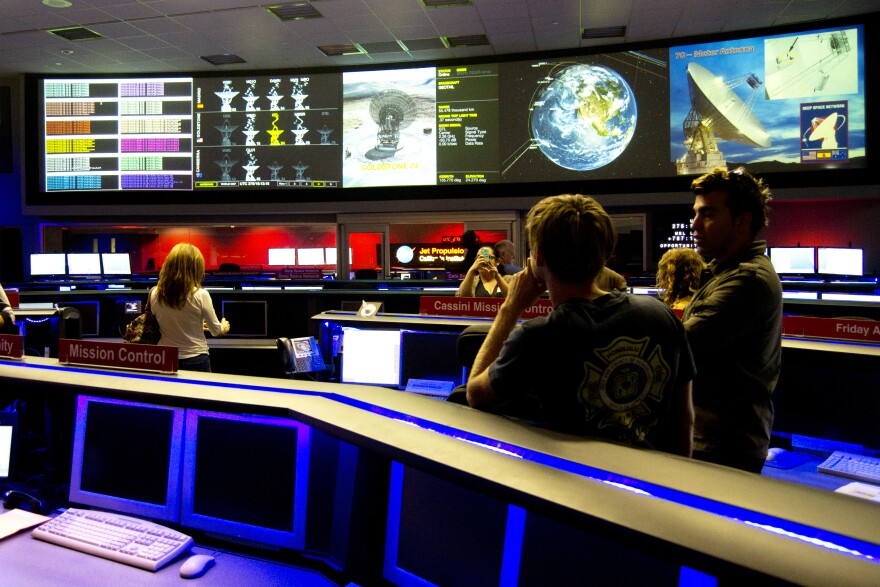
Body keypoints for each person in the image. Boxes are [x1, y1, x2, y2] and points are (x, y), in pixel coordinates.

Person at [466, 194, 695, 456]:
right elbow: (684, 420)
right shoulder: (661, 316)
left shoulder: (538, 336)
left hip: (572, 477)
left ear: (538, 257)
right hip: (651, 477)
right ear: (604, 252)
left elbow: (475, 394)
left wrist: (510, 309)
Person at [682, 166, 782, 473]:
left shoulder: (748, 279)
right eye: (695, 214)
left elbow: (682, 343)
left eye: (708, 214)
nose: (694, 224)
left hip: (723, 445)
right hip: (710, 439)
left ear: (742, 221)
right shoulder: (722, 272)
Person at [150, 243, 230, 372]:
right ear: (196, 267)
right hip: (195, 359)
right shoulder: (200, 294)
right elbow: (216, 331)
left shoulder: (155, 293)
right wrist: (224, 327)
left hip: (165, 357)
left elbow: (165, 320)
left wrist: (195, 324)